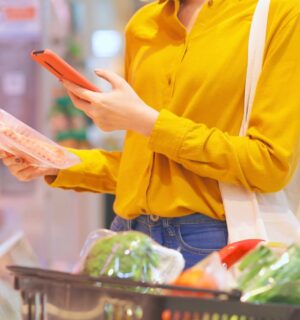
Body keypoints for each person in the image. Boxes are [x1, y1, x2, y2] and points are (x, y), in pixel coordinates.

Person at [1, 0, 300, 269]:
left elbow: (269, 164)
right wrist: (58, 162)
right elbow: (145, 171)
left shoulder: (280, 14)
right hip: (126, 237)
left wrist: (149, 122)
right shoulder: (144, 25)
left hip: (214, 244)